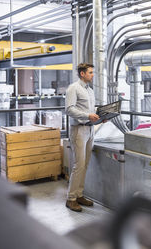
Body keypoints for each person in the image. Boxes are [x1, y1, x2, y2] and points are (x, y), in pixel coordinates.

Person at [65, 63, 100, 212]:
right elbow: (69, 109)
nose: (93, 75)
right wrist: (87, 115)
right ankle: (71, 198)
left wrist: (100, 116)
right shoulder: (73, 88)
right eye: (90, 72)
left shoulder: (90, 91)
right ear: (82, 74)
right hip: (79, 130)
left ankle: (79, 194)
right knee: (78, 165)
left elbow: (91, 110)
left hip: (90, 129)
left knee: (85, 165)